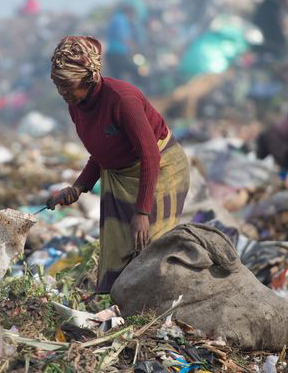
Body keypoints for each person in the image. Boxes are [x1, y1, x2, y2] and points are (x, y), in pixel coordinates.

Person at [47, 36, 190, 293]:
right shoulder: (77, 106)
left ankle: (156, 306)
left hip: (161, 170)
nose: (63, 92)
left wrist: (143, 212)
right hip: (120, 175)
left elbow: (150, 155)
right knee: (118, 248)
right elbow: (100, 153)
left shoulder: (122, 99)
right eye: (58, 86)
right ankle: (115, 303)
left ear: (89, 77)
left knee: (150, 247)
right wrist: (77, 188)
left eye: (67, 85)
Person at [105, 5, 142, 85]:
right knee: (134, 70)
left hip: (111, 53)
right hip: (118, 53)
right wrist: (133, 47)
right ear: (129, 13)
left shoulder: (115, 18)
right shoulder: (122, 20)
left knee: (116, 78)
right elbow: (123, 37)